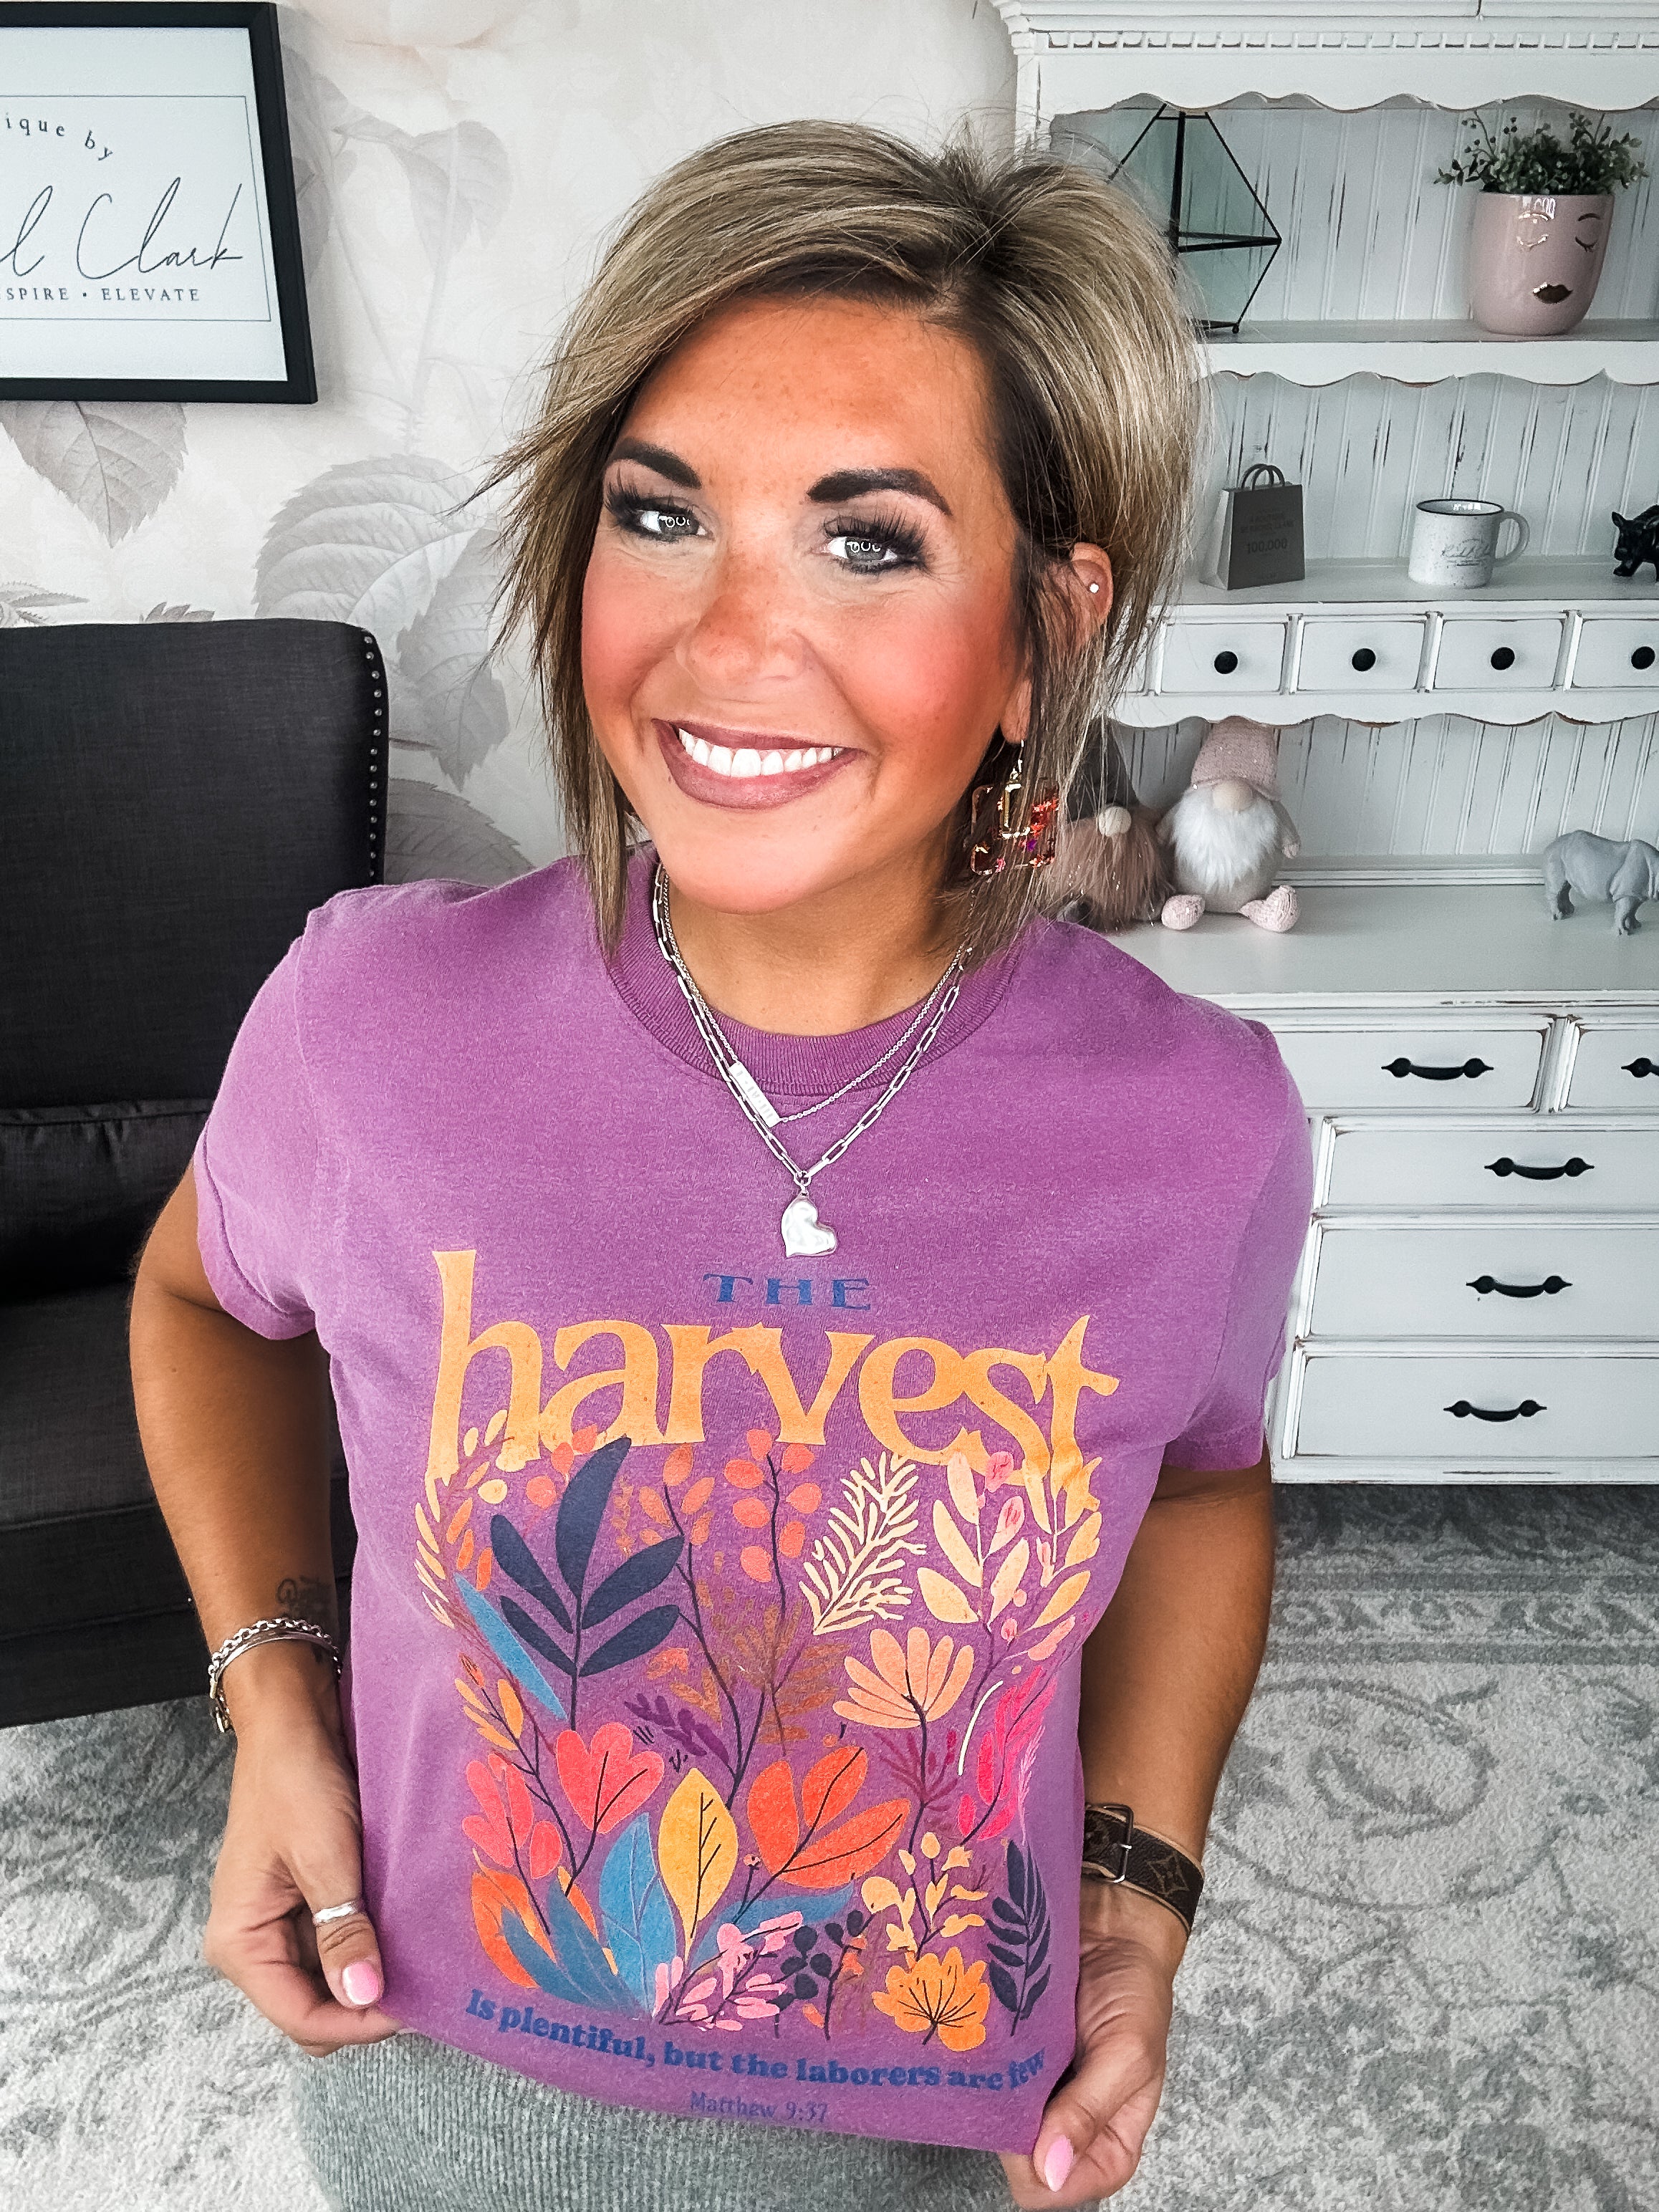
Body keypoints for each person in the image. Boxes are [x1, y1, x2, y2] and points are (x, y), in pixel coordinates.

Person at [131, 121, 1312, 2212]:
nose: (720, 639)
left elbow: (1205, 1474)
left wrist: (1134, 1890)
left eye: (865, 542)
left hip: (939, 2125)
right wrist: (274, 1702)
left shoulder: (1194, 1124)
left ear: (1045, 623)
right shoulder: (372, 1023)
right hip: (440, 2079)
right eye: (657, 518)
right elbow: (201, 1302)